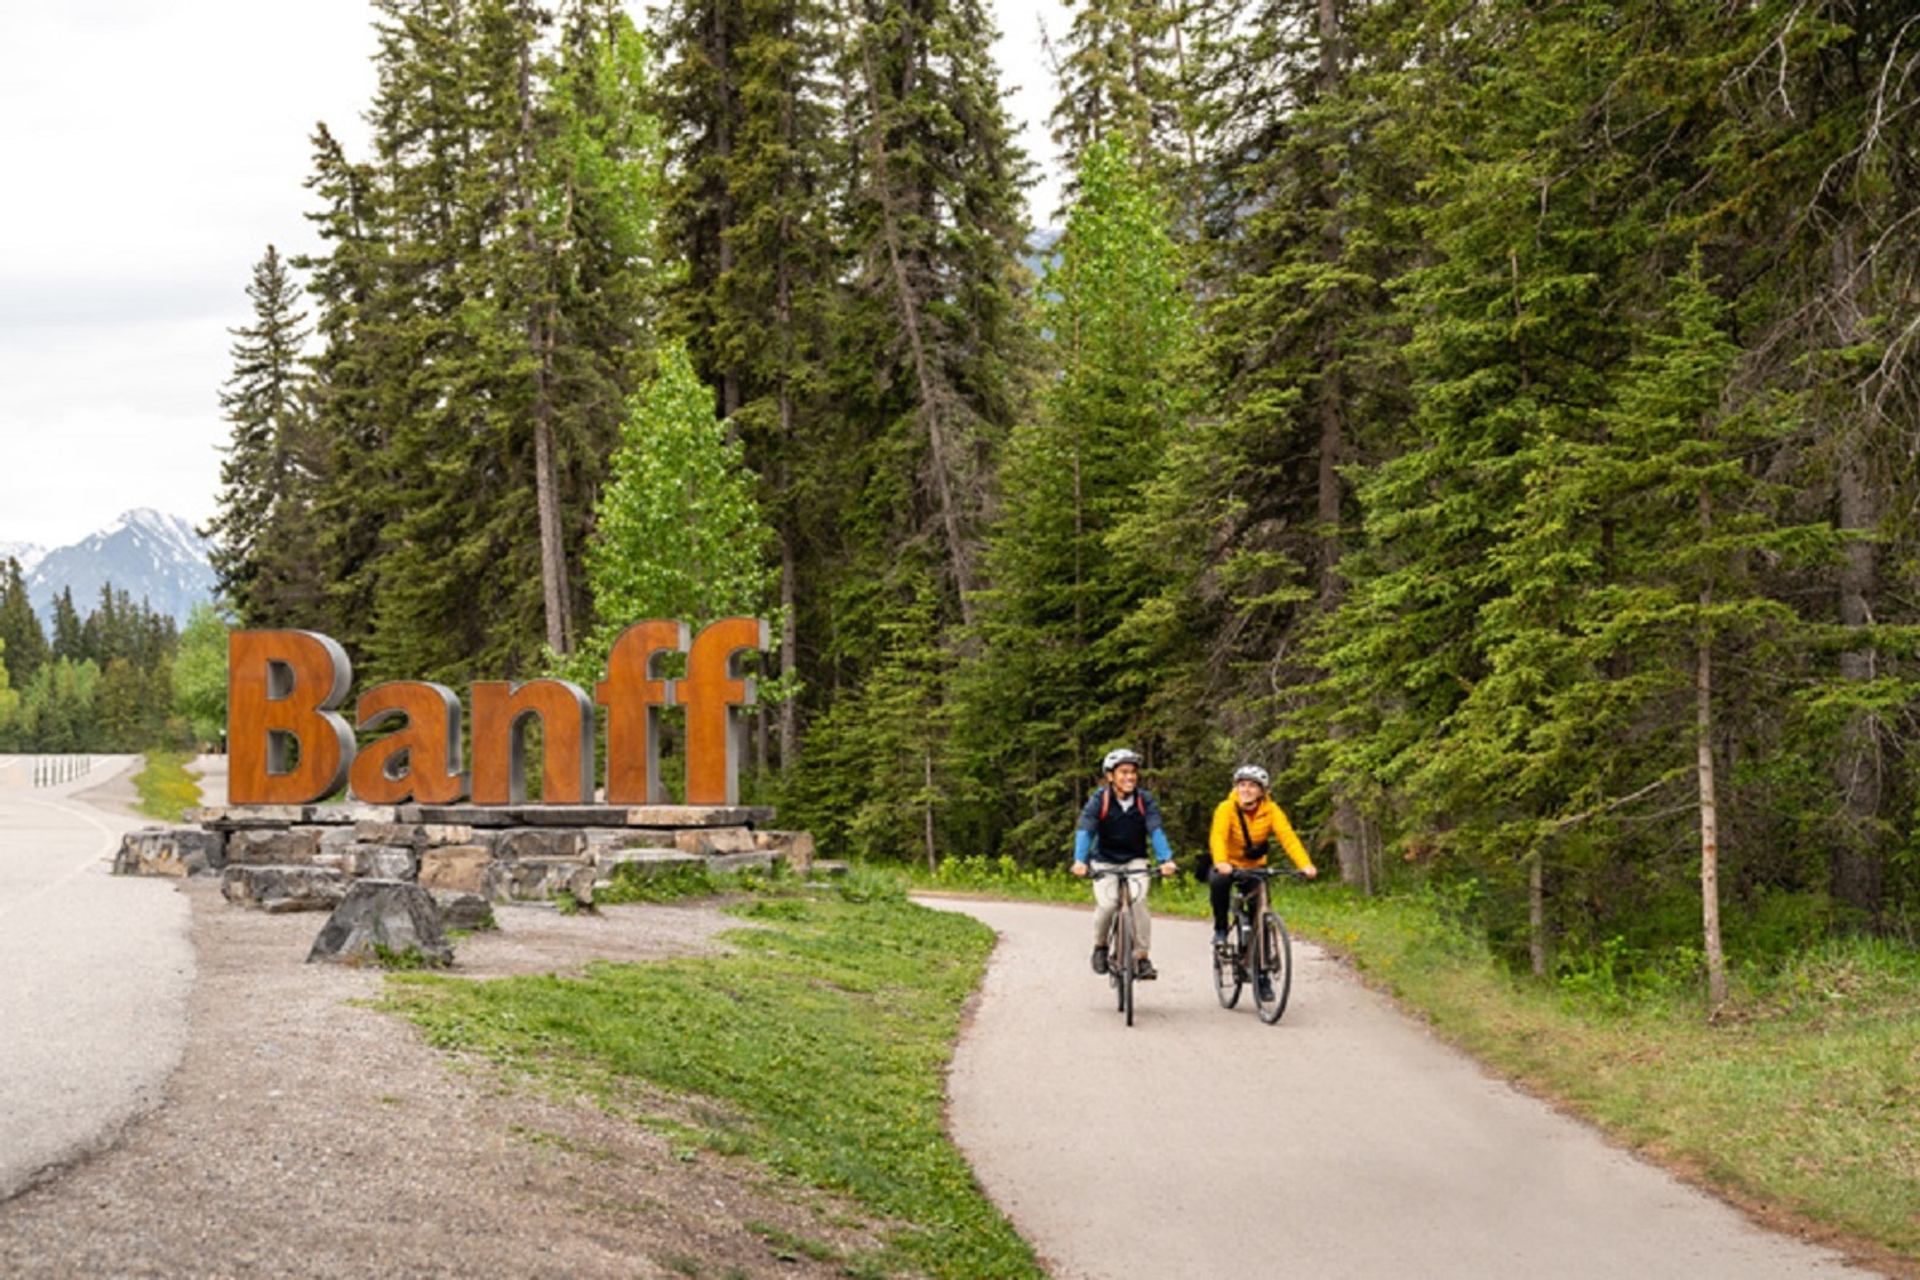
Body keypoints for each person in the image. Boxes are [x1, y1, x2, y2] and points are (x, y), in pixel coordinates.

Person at [1209, 764, 1317, 1000]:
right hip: (1229, 864)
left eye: (1252, 786)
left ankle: (1262, 977)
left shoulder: (1271, 811)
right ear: (1236, 787)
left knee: (1262, 916)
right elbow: (1217, 836)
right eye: (1242, 785)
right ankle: (1220, 929)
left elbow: (1288, 838)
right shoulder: (1226, 808)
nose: (1246, 790)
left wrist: (1305, 865)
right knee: (1218, 882)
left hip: (1255, 868)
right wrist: (1221, 861)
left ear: (1262, 791)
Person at [1072, 748, 1178, 979]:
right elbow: (1085, 831)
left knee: (1139, 902)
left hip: (1135, 861)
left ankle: (1141, 958)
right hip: (1104, 862)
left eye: (1133, 773)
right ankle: (1100, 947)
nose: (1129, 777)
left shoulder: (1144, 800)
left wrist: (1166, 859)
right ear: (1110, 776)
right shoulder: (1099, 800)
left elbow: (1155, 830)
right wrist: (1080, 860)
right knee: (1108, 905)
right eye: (1123, 772)